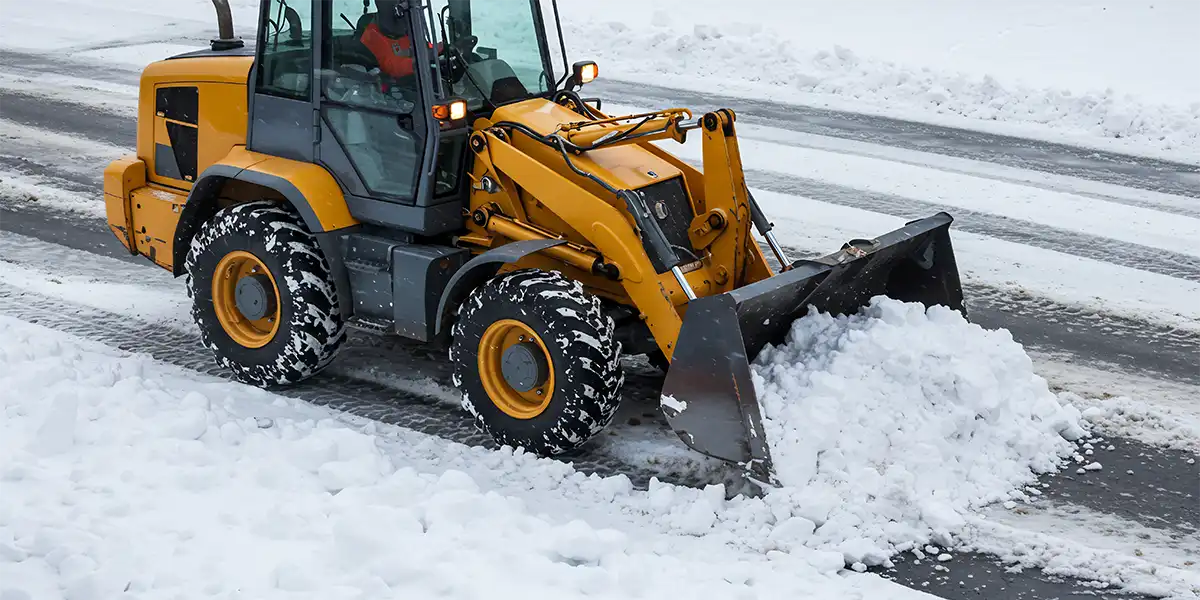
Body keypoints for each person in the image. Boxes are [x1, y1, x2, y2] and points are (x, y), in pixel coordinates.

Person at [359, 0, 417, 80]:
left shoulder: (406, 34)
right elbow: (393, 67)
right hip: (390, 89)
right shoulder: (371, 36)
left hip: (422, 86)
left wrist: (437, 50)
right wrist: (419, 61)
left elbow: (426, 49)